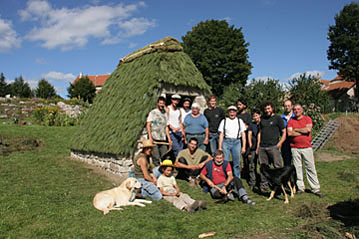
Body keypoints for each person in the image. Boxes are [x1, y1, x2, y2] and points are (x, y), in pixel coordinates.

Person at [287, 104, 323, 198]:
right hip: (295, 148)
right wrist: (301, 131)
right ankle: (300, 188)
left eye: (298, 109)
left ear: (302, 110)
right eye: (294, 109)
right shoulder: (291, 121)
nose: (296, 111)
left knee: (310, 167)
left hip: (306, 147)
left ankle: (315, 188)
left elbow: (308, 130)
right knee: (297, 168)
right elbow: (290, 133)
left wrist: (296, 130)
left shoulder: (307, 119)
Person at [257, 101, 286, 192]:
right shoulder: (263, 119)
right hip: (262, 147)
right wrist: (258, 146)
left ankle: (279, 186)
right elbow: (260, 133)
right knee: (263, 167)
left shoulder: (278, 118)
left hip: (273, 146)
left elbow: (284, 132)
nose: (267, 110)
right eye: (265, 109)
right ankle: (264, 185)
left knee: (277, 167)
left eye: (269, 108)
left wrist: (279, 143)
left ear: (272, 108)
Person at [218, 106, 246, 179]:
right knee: (225, 161)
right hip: (226, 142)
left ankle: (237, 179)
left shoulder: (240, 121)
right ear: (228, 112)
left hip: (236, 142)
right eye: (230, 111)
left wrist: (244, 147)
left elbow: (243, 134)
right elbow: (221, 134)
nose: (232, 113)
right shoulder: (224, 121)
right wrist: (220, 147)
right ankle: (225, 177)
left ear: (236, 112)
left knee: (237, 162)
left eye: (233, 111)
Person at [146, 96, 171, 166]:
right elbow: (148, 125)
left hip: (162, 139)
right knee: (155, 157)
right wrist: (150, 137)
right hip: (154, 138)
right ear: (157, 103)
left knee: (165, 156)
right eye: (160, 103)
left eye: (163, 103)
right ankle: (156, 173)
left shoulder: (165, 113)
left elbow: (166, 126)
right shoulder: (153, 112)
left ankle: (165, 171)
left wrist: (168, 138)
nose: (161, 105)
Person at [246, 108, 261, 189]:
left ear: (260, 115)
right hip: (253, 147)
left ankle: (263, 182)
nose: (255, 117)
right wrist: (251, 146)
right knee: (252, 165)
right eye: (254, 116)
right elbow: (249, 134)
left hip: (262, 147)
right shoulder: (252, 125)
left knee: (262, 165)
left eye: (256, 115)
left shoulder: (263, 123)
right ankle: (253, 182)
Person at [281, 99, 295, 166]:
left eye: (288, 106)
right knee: (286, 162)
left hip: (295, 141)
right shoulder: (281, 118)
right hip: (285, 142)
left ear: (292, 106)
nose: (287, 107)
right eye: (285, 106)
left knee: (296, 162)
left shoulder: (296, 117)